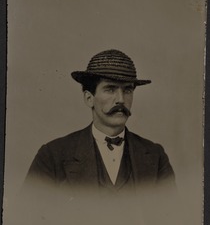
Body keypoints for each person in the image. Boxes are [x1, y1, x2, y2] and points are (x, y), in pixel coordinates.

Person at [26, 49, 175, 192]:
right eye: (110, 89)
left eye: (127, 90)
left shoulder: (155, 156)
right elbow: (30, 214)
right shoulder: (52, 156)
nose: (121, 100)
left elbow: (172, 214)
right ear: (89, 98)